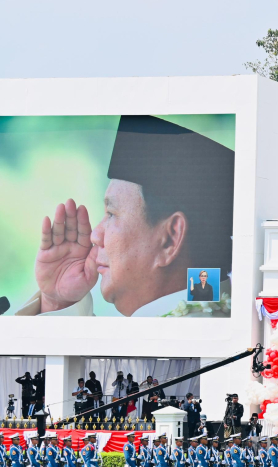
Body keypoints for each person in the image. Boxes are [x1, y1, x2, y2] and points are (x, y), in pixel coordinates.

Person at [18, 115, 235, 318]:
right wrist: (57, 301)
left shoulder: (194, 338)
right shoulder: (215, 322)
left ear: (170, 238)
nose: (95, 236)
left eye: (111, 214)